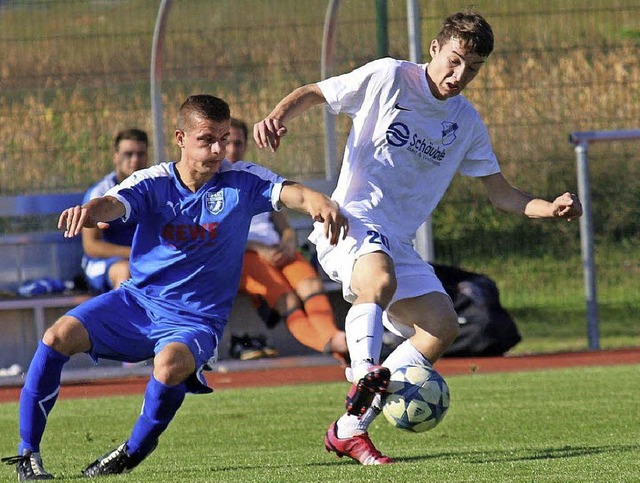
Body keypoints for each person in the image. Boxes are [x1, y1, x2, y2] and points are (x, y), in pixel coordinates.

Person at [254, 10, 583, 465]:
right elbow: (318, 92)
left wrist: (549, 207)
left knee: (442, 325)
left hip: (396, 241)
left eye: (472, 68)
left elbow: (502, 194)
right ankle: (364, 372)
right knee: (378, 279)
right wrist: (278, 114)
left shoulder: (465, 123)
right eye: (454, 60)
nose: (460, 74)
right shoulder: (389, 77)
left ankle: (349, 429)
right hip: (349, 221)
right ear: (434, 48)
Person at [1, 94, 347, 480]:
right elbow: (112, 203)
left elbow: (292, 192)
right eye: (206, 139)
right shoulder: (154, 182)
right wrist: (89, 212)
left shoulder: (242, 180)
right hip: (136, 302)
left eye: (223, 137)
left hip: (197, 320)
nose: (218, 149)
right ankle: (27, 454)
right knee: (56, 336)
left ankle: (134, 449)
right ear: (180, 138)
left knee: (168, 366)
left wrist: (319, 201)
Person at [226, 118, 349, 365]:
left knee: (311, 286)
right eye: (226, 142)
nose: (231, 149)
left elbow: (282, 222)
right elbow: (219, 237)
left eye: (238, 143)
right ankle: (334, 344)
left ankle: (335, 340)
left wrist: (289, 241)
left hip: (277, 249)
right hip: (242, 255)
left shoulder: (255, 176)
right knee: (288, 300)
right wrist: (258, 249)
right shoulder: (212, 183)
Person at [81, 128, 149, 292]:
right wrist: (134, 253)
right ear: (116, 157)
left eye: (140, 154)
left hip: (143, 259)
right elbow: (91, 246)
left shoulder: (154, 188)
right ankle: (120, 317)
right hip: (104, 263)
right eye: (128, 154)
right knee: (125, 271)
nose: (135, 160)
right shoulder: (100, 193)